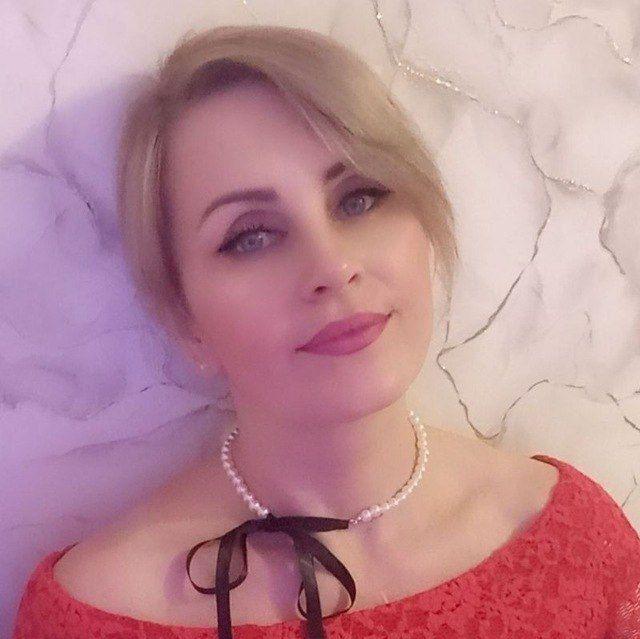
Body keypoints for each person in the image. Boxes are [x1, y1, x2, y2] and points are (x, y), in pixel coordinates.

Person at [12, 24, 640, 639]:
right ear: (185, 318)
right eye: (251, 237)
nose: (333, 267)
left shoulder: (572, 543)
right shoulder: (92, 616)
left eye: (359, 198)